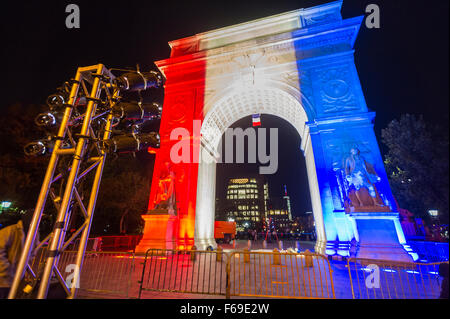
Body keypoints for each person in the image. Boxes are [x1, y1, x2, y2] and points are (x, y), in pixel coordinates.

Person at [0, 210, 35, 299]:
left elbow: (33, 251)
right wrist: (6, 268)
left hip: (16, 277)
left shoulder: (34, 233)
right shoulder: (10, 231)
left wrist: (24, 268)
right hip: (3, 277)